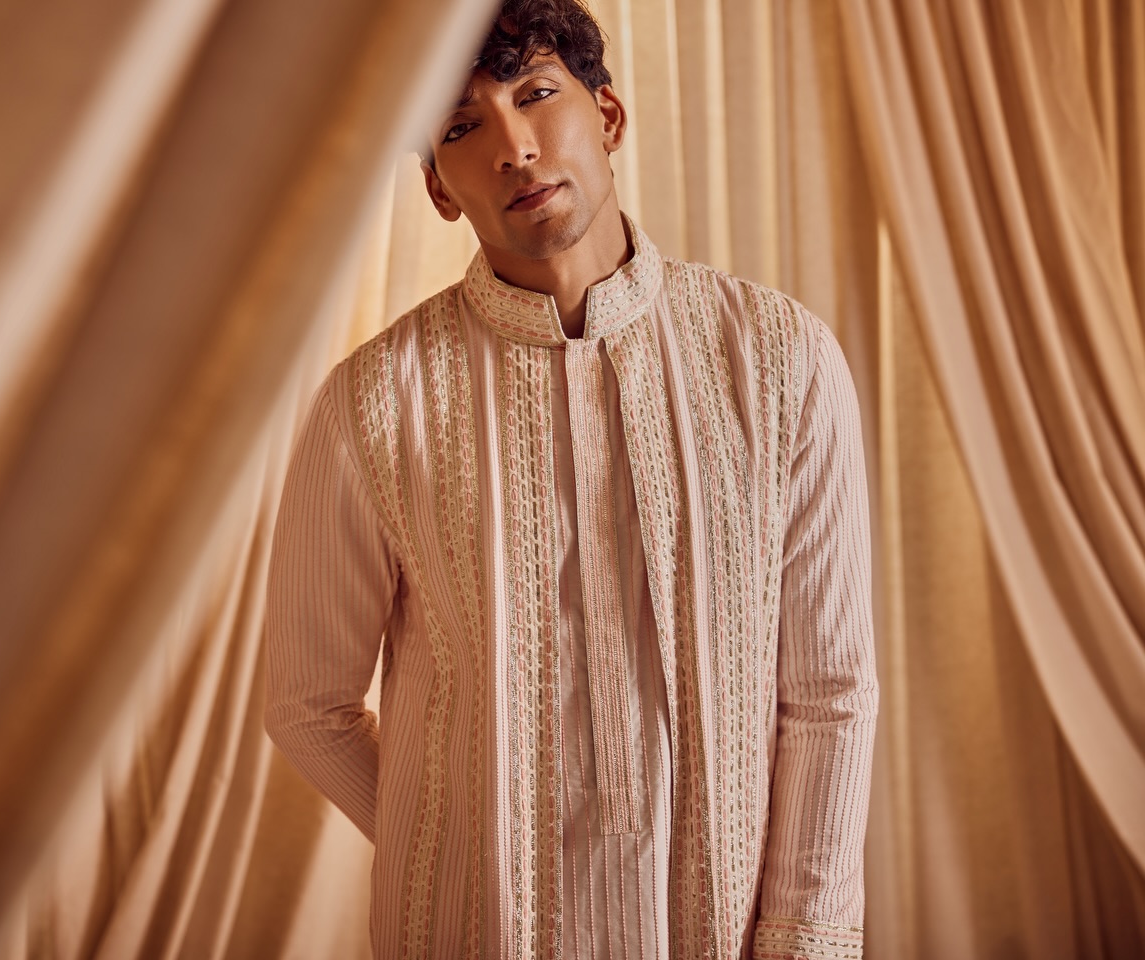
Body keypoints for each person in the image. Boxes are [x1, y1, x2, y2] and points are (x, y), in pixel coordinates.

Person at [262, 1, 879, 957]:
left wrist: (805, 941)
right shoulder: (375, 404)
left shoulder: (780, 361)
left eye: (537, 93)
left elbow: (829, 693)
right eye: (461, 128)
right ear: (437, 190)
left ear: (610, 115)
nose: (513, 147)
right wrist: (458, 851)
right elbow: (308, 706)